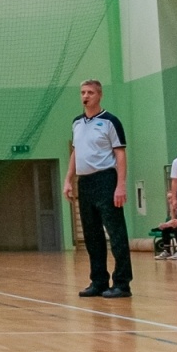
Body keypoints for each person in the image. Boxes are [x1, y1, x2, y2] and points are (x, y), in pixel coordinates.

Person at [65, 80, 131, 299]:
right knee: (92, 236)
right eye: (83, 92)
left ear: (99, 95)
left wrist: (120, 186)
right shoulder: (76, 123)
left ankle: (122, 283)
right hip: (85, 183)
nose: (86, 96)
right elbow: (75, 153)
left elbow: (120, 154)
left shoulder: (110, 121)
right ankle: (99, 281)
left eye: (90, 92)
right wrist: (68, 179)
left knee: (116, 233)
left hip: (106, 180)